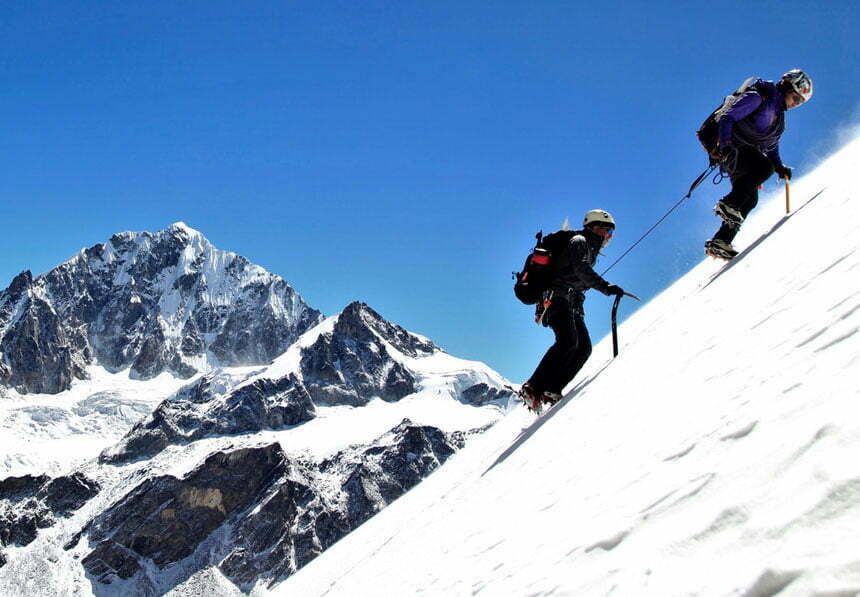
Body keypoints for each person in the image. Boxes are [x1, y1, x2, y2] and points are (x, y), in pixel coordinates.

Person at [519, 209, 625, 411]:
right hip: (555, 298)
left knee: (583, 347)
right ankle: (533, 387)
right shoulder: (579, 241)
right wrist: (605, 286)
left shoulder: (588, 248)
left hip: (570, 301)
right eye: (608, 230)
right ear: (595, 227)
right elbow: (581, 270)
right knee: (568, 340)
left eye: (611, 232)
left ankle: (552, 389)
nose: (610, 236)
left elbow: (577, 277)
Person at [705, 69, 813, 260]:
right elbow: (727, 117)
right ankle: (729, 203)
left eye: (800, 103)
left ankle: (721, 241)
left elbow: (771, 146)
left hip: (741, 152)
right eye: (796, 98)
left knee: (750, 199)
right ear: (788, 86)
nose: (796, 104)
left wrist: (779, 166)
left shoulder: (778, 117)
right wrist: (726, 144)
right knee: (763, 168)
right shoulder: (758, 97)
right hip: (734, 147)